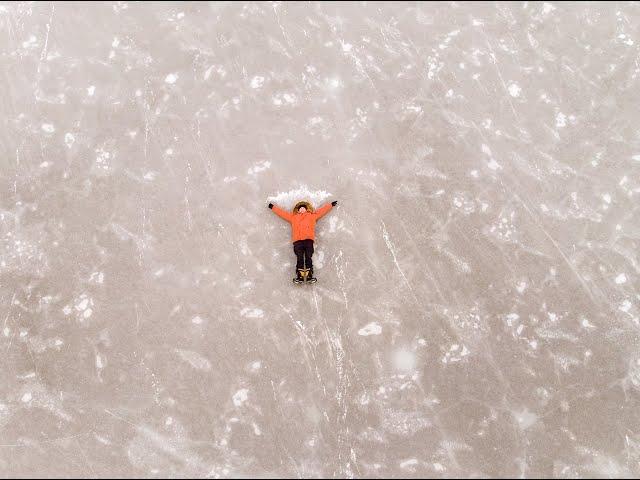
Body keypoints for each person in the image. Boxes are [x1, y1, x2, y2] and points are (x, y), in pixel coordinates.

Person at [268, 200, 338, 282]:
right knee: (299, 257)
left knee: (308, 256)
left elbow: (322, 211)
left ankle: (309, 276)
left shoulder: (312, 216)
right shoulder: (293, 217)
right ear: (297, 210)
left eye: (303, 208)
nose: (301, 209)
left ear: (306, 209)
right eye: (300, 208)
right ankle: (300, 276)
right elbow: (283, 213)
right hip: (297, 241)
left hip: (308, 240)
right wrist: (273, 207)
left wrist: (330, 205)